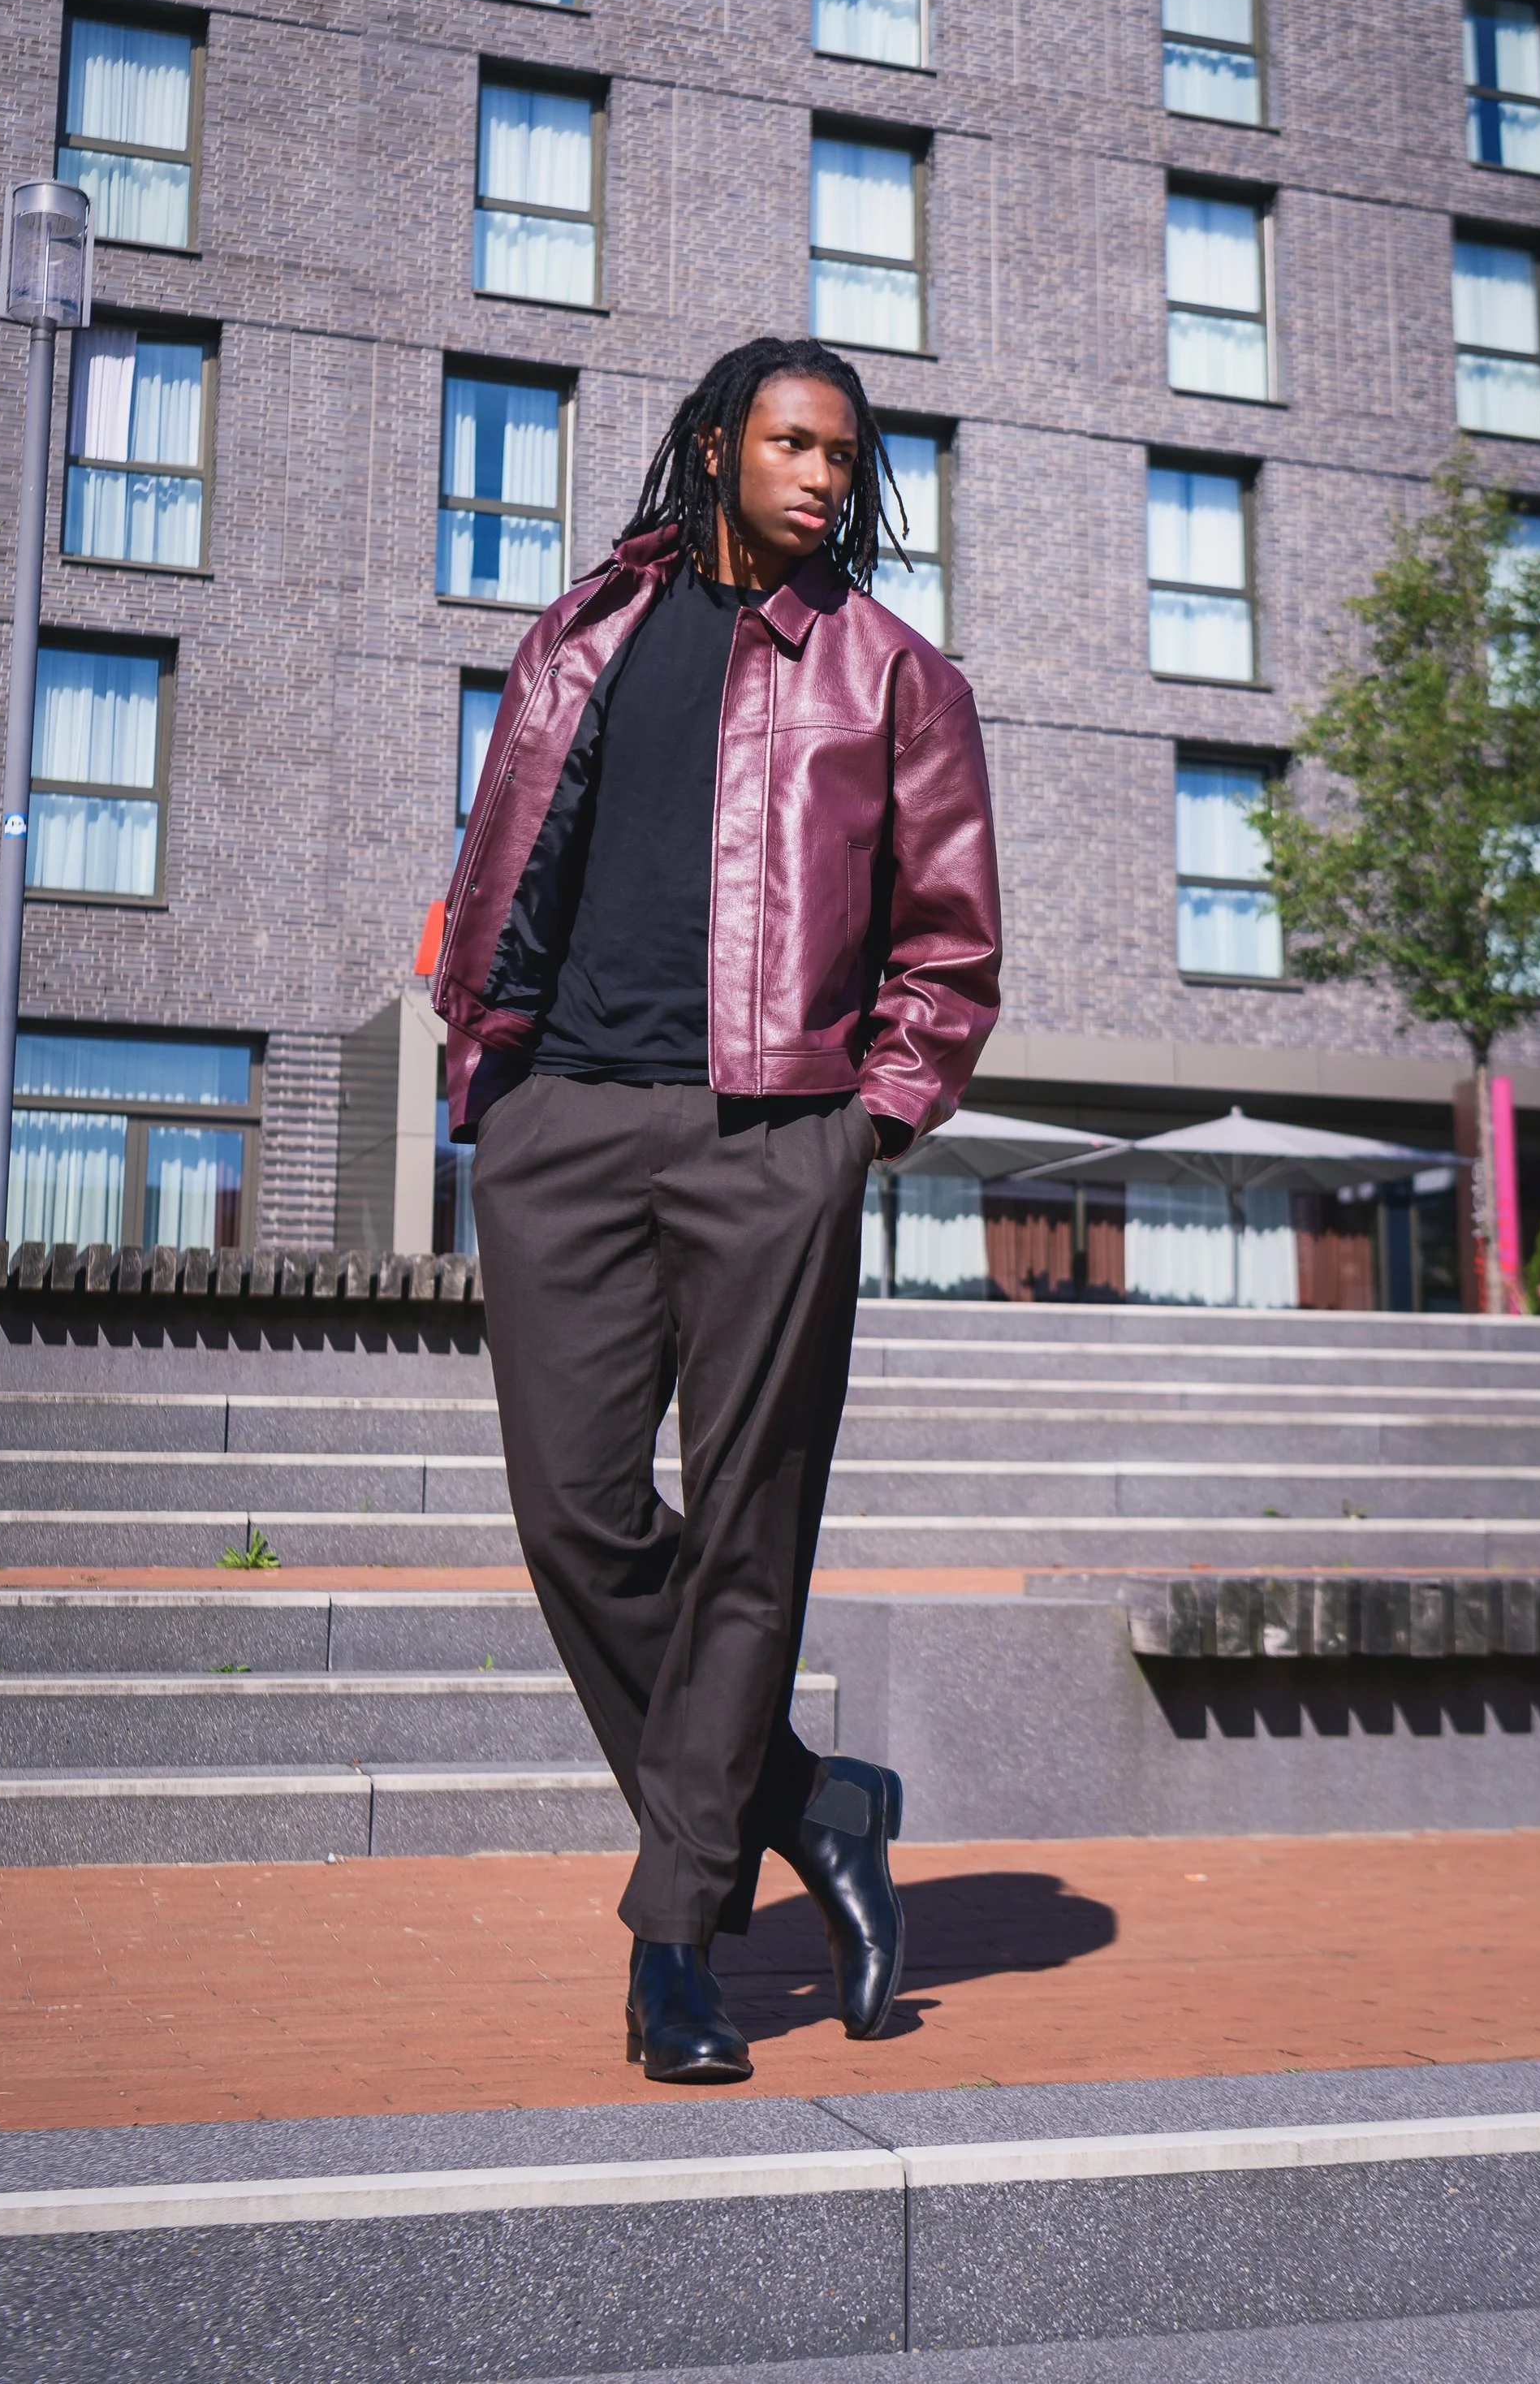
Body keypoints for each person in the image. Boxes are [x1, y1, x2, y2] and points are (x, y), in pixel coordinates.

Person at [434, 337, 1001, 2084]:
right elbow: (505, 849)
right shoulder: (582, 631)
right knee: (576, 1515)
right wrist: (486, 1062)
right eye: (791, 443)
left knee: (746, 1533)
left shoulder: (892, 675)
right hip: (563, 1124)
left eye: (845, 454)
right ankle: (804, 1803)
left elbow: (949, 944)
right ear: (711, 446)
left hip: (773, 1135)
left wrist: (861, 1126)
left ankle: (675, 1942)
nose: (824, 476)